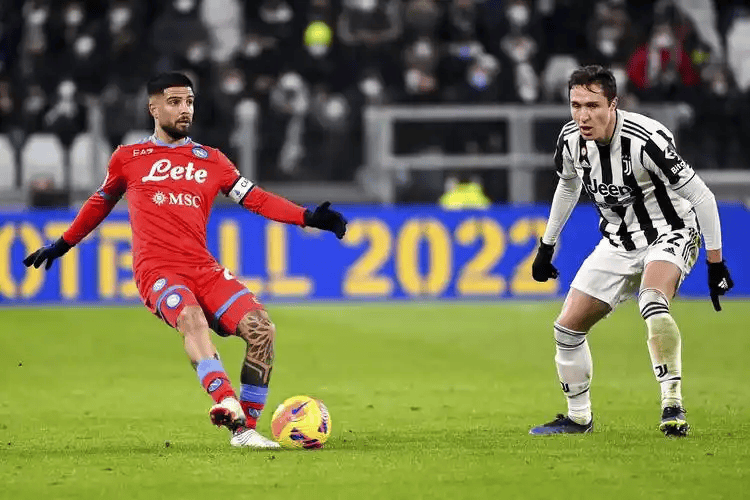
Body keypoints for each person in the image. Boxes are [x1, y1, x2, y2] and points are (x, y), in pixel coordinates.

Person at [22, 72, 347, 449]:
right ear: (153, 108)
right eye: (175, 102)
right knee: (191, 318)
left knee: (262, 331)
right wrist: (63, 243)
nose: (185, 109)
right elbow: (100, 203)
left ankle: (244, 430)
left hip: (204, 269)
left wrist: (308, 216)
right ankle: (225, 399)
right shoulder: (128, 159)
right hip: (158, 271)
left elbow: (256, 198)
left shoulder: (213, 160)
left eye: (189, 102)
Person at [528, 65, 734, 437]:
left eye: (593, 106)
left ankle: (672, 405)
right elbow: (568, 186)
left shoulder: (646, 140)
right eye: (576, 105)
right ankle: (579, 418)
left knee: (652, 300)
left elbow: (702, 196)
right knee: (566, 330)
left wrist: (715, 262)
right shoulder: (570, 140)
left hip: (669, 231)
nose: (583, 115)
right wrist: (547, 245)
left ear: (613, 104)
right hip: (618, 242)